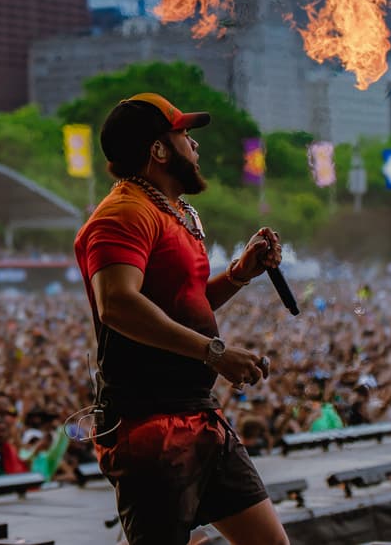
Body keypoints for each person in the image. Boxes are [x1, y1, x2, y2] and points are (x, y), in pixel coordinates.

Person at [74, 93, 289, 545]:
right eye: (184, 135)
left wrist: (238, 274)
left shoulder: (173, 213)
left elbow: (182, 303)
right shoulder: (122, 214)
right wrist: (215, 353)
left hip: (198, 413)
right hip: (149, 424)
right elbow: (117, 303)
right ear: (158, 149)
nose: (195, 146)